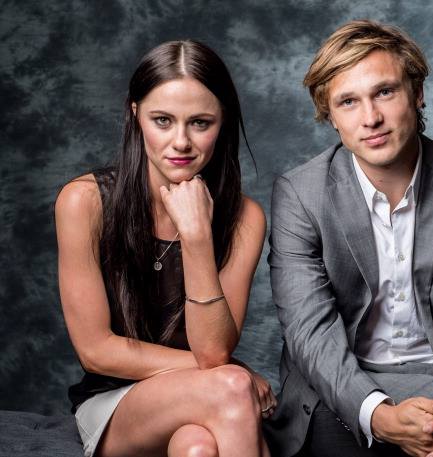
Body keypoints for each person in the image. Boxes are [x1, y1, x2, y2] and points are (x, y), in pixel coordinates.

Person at [265, 20, 433, 457]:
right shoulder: (300, 195)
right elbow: (310, 333)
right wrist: (382, 418)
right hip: (345, 388)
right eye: (348, 102)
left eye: (385, 92)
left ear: (417, 93)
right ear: (330, 116)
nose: (370, 118)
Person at [55, 40, 275, 457]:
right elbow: (95, 351)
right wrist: (231, 370)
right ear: (135, 115)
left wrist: (196, 236)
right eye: (162, 120)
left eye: (200, 123)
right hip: (113, 401)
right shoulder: (84, 201)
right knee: (232, 386)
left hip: (206, 394)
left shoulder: (245, 218)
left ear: (223, 122)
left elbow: (213, 350)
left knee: (198, 447)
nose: (181, 142)